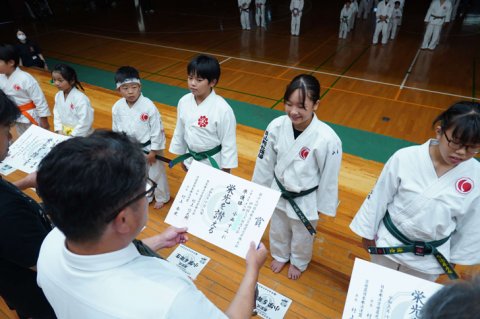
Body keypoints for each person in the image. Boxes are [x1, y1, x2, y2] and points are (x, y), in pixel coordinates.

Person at [35, 130, 268, 318]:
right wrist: (252, 269)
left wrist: (157, 241)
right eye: (144, 189)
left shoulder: (50, 245)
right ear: (123, 219)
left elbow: (102, 256)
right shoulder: (170, 300)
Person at [350, 101, 480, 281]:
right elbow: (380, 196)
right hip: (389, 242)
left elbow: (471, 223)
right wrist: (367, 231)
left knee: (410, 302)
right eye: (456, 142)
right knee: (377, 288)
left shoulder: (476, 176)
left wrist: (454, 257)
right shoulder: (405, 157)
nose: (461, 152)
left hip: (430, 258)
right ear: (439, 131)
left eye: (472, 147)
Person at [252, 74, 342, 280]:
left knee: (302, 235)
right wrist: (260, 189)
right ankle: (281, 255)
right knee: (278, 227)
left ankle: (299, 261)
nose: (293, 111)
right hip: (279, 189)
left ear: (316, 104)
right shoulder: (276, 126)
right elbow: (264, 161)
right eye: (288, 104)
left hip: (305, 197)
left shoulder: (328, 138)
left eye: (301, 106)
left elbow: (329, 176)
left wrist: (323, 205)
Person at [0, 89, 56, 319]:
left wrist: (25, 182)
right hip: (39, 297)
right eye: (5, 130)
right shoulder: (7, 212)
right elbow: (49, 267)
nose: (11, 137)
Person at [112, 66, 170, 209]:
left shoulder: (149, 106)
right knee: (140, 173)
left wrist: (154, 151)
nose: (130, 91)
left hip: (150, 147)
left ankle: (162, 196)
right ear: (118, 89)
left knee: (157, 172)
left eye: (134, 87)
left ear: (140, 86)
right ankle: (147, 195)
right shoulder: (117, 107)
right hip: (131, 147)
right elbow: (116, 128)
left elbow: (157, 130)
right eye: (125, 88)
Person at [169, 54, 238, 173]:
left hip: (213, 163)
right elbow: (180, 129)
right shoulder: (184, 101)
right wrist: (182, 156)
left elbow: (228, 142)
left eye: (199, 80)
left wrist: (225, 170)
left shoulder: (223, 109)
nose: (193, 83)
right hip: (190, 158)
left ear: (212, 82)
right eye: (190, 78)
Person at [0, 44, 50, 135]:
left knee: (38, 138)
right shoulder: (1, 78)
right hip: (16, 116)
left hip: (31, 116)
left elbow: (40, 100)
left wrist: (44, 120)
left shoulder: (25, 78)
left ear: (11, 62)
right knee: (23, 139)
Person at [52, 64, 94, 137]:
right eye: (54, 80)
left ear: (71, 81)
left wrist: (72, 136)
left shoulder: (81, 99)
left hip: (80, 135)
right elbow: (57, 114)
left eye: (60, 80)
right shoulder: (58, 96)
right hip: (63, 133)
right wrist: (59, 130)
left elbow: (85, 121)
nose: (56, 83)